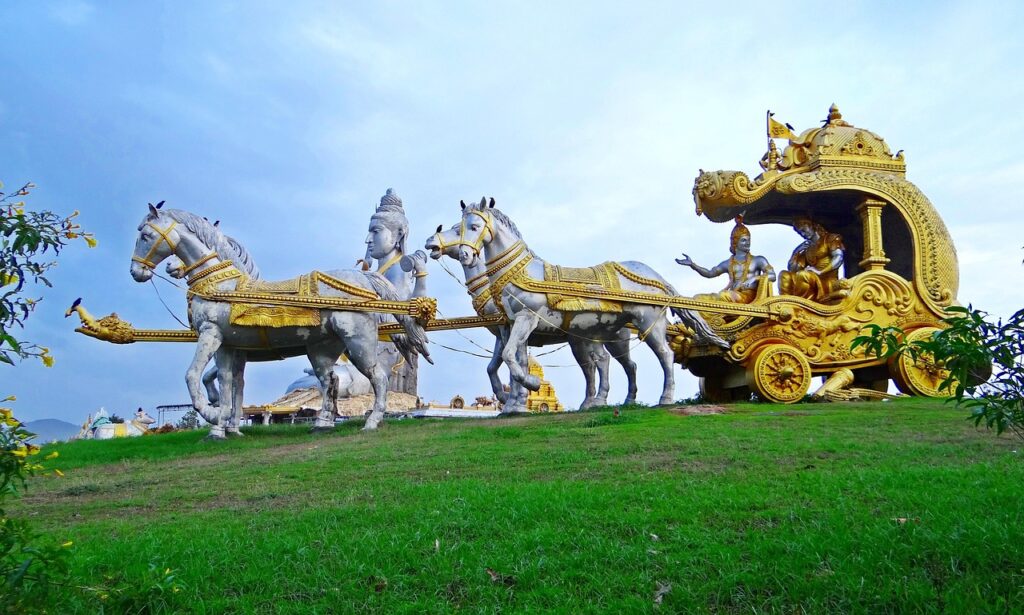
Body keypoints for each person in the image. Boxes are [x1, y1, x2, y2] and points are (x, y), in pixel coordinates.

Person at [361, 189, 427, 394]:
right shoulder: (379, 271)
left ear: (399, 234)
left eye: (376, 231)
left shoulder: (398, 269)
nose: (368, 239)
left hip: (385, 350)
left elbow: (396, 314)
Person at [676, 216, 775, 303]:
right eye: (744, 240)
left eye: (749, 240)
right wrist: (693, 265)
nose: (748, 243)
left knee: (724, 295)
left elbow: (772, 275)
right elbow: (710, 273)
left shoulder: (758, 260)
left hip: (749, 298)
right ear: (735, 242)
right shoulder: (728, 263)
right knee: (699, 298)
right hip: (733, 295)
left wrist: (755, 278)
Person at [778, 216, 847, 302]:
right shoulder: (807, 248)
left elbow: (838, 258)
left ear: (812, 226)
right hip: (811, 278)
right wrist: (796, 252)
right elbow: (793, 269)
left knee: (803, 275)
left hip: (826, 279)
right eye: (800, 233)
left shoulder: (830, 238)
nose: (803, 234)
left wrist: (820, 271)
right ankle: (786, 303)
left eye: (804, 230)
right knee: (784, 275)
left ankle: (802, 303)